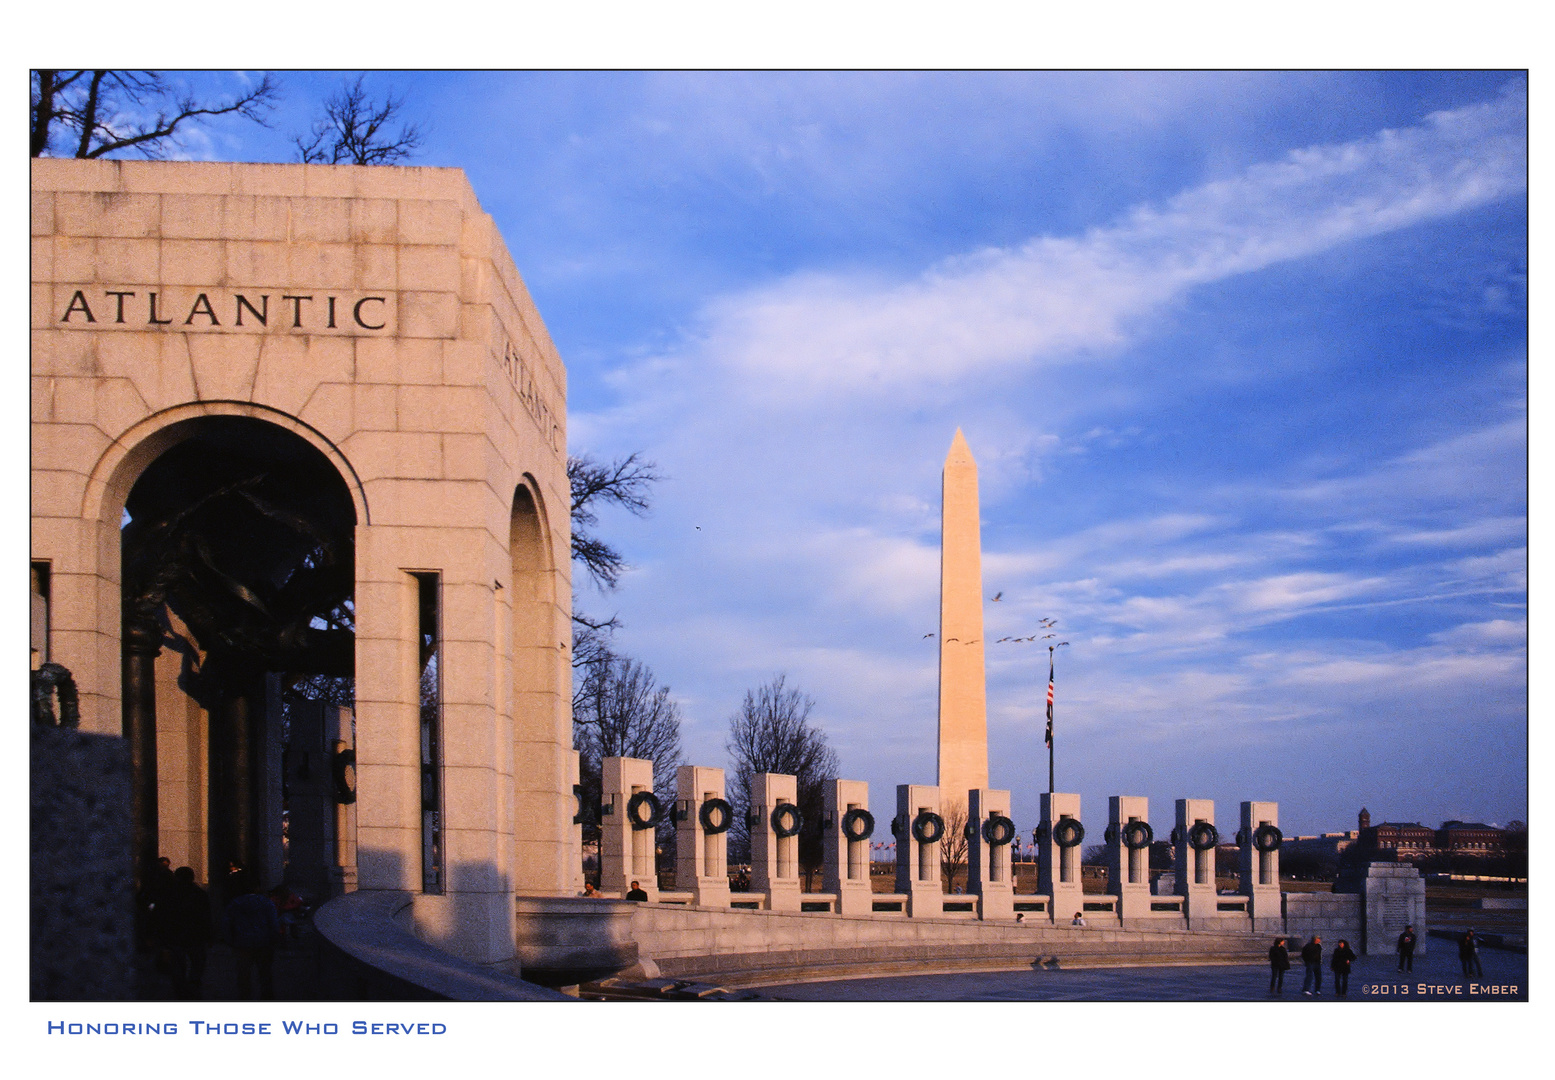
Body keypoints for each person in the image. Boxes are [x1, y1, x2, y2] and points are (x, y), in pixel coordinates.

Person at [223, 872, 280, 1000]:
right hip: (263, 942)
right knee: (265, 974)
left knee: (244, 974)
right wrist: (274, 940)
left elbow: (227, 923)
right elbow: (273, 923)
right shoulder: (266, 903)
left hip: (242, 942)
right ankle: (267, 998)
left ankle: (245, 998)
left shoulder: (235, 903)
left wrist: (230, 940)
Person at [162, 867, 211, 1000]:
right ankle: (193, 986)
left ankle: (181, 990)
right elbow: (207, 916)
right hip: (195, 935)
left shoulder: (169, 894)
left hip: (175, 935)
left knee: (178, 965)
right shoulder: (199, 894)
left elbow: (163, 916)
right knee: (197, 964)